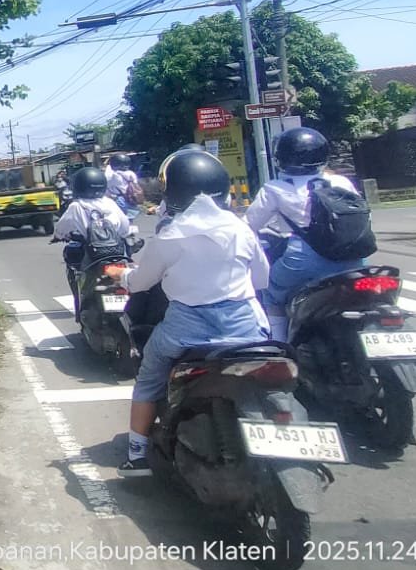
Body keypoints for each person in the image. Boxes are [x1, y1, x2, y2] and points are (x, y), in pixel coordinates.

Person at [116, 150, 270, 477]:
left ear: (172, 193)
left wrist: (122, 276)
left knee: (148, 379)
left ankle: (137, 456)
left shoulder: (169, 236)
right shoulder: (241, 229)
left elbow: (141, 283)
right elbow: (262, 279)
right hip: (245, 325)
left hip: (186, 329)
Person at [245, 127, 366, 341]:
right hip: (354, 259)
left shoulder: (275, 188)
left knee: (270, 292)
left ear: (281, 158)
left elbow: (248, 225)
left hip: (302, 260)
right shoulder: (341, 182)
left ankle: (280, 346)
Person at [52, 166, 136, 304]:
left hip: (92, 254)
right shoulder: (110, 203)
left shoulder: (76, 206)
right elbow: (125, 227)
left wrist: (58, 236)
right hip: (117, 252)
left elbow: (62, 228)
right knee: (127, 275)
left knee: (83, 275)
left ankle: (83, 302)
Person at [105, 153, 142, 219]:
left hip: (118, 199)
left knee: (118, 220)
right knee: (129, 220)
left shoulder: (113, 175)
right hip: (131, 198)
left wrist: (108, 165)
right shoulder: (131, 173)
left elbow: (106, 182)